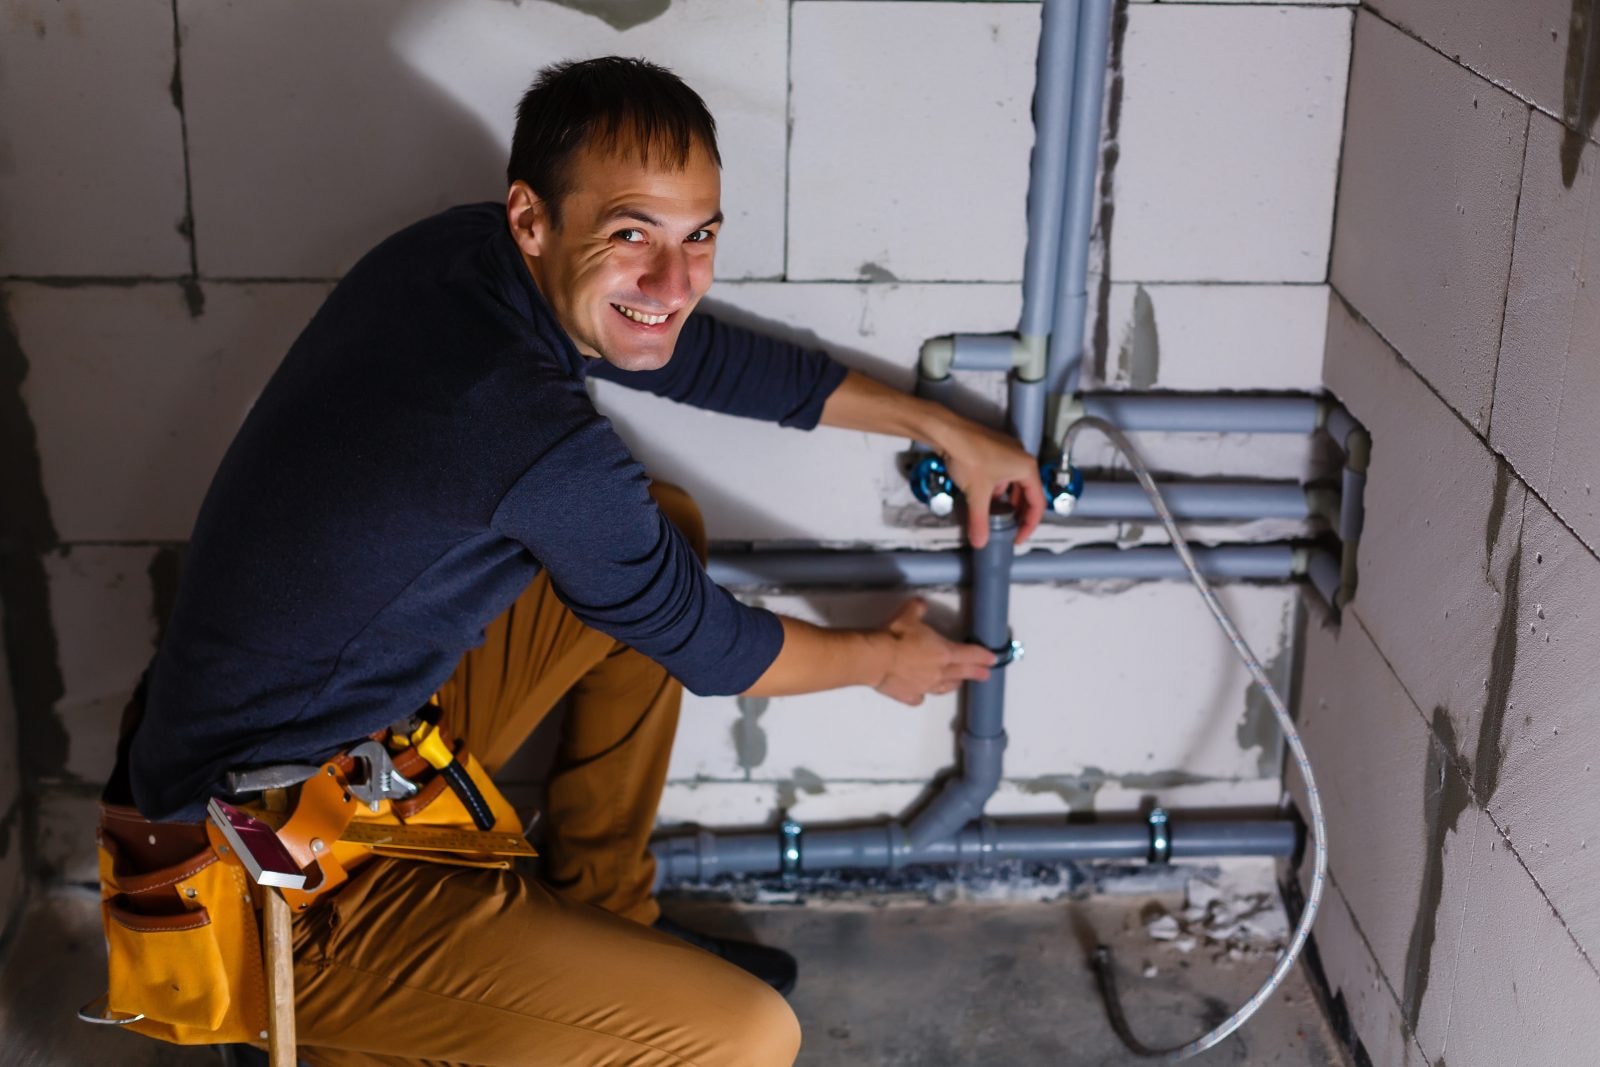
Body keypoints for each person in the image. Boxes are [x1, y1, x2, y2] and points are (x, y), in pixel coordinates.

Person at [103, 56, 1045, 1065]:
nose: (674, 279)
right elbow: (719, 650)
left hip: (328, 753)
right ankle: (343, 1022)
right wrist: (883, 661)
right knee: (746, 1036)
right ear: (533, 218)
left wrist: (935, 422)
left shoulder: (460, 258)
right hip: (261, 883)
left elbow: (693, 348)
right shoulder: (525, 433)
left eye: (700, 237)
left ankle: (606, 915)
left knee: (662, 525)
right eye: (632, 232)